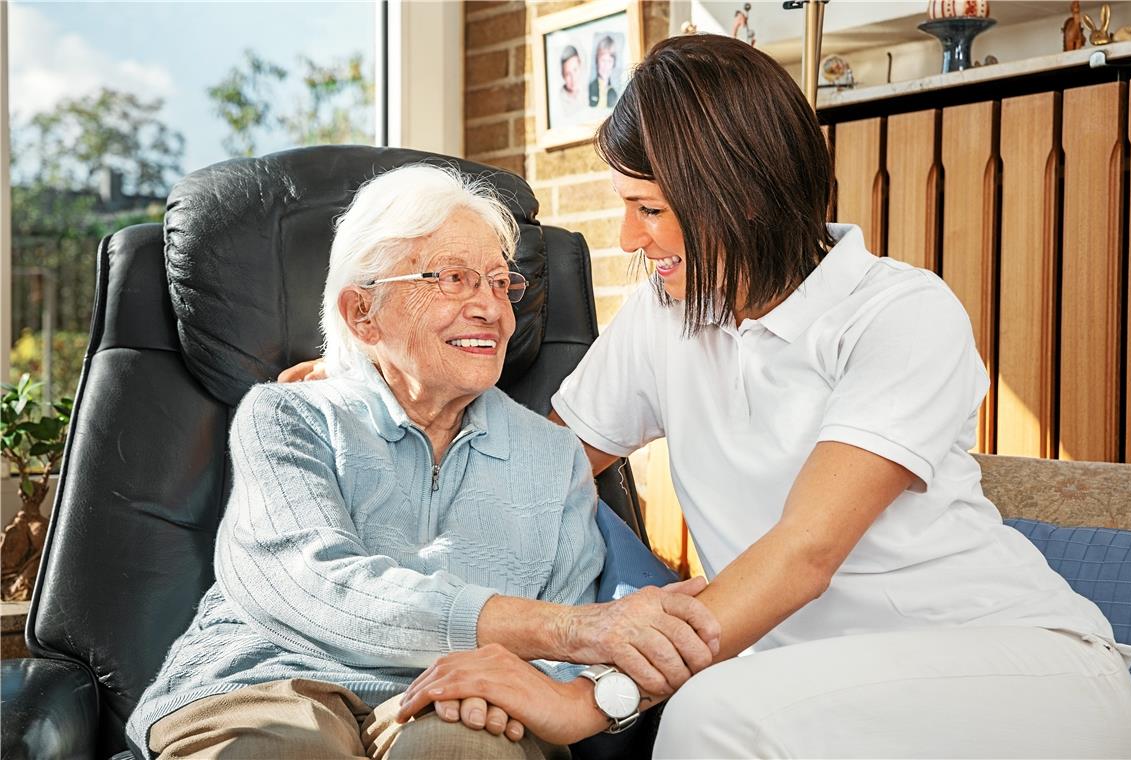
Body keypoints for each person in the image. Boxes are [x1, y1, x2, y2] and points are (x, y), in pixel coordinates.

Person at [394, 36, 1131, 757]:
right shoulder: (668, 312)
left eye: (649, 210)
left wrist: (590, 700)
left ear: (741, 198)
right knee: (732, 704)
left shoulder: (900, 313)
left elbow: (803, 552)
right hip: (814, 690)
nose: (627, 236)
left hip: (1019, 671)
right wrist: (380, 386)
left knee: (714, 715)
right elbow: (536, 469)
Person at [125, 164, 720, 760]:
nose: (492, 308)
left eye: (499, 282)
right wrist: (567, 631)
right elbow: (314, 585)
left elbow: (556, 660)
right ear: (363, 313)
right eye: (456, 279)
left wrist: (528, 680)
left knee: (465, 748)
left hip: (461, 701)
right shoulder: (288, 417)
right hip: (270, 682)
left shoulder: (553, 458)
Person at [588, 36, 619, 109]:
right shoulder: (590, 89)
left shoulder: (614, 93)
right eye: (603, 60)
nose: (606, 66)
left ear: (613, 64)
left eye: (609, 61)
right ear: (597, 61)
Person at [557, 45, 586, 123]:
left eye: (575, 70)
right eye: (568, 74)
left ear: (580, 67)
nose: (573, 78)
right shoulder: (558, 101)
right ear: (563, 75)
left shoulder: (588, 93)